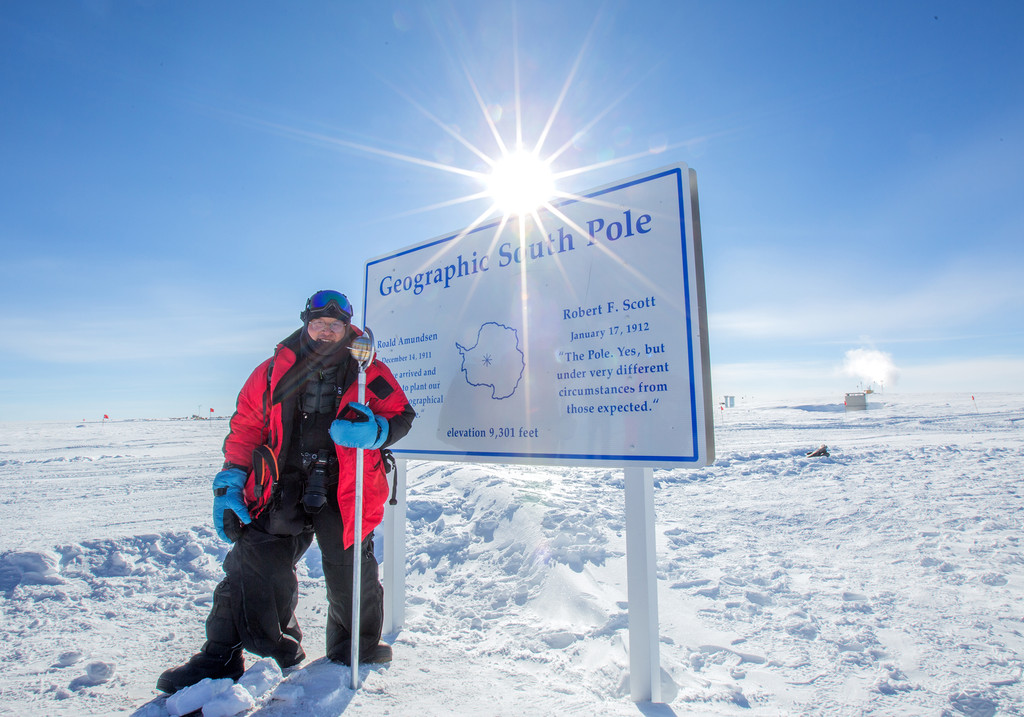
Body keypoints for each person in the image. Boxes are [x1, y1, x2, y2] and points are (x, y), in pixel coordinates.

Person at [157, 290, 415, 693]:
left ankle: (356, 646)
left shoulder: (368, 369)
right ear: (305, 323)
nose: (327, 332)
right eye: (319, 324)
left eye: (335, 325)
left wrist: (377, 431)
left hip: (343, 486)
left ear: (347, 327)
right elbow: (246, 426)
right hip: (281, 482)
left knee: (352, 568)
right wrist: (232, 479)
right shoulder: (272, 371)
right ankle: (222, 655)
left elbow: (401, 413)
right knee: (251, 562)